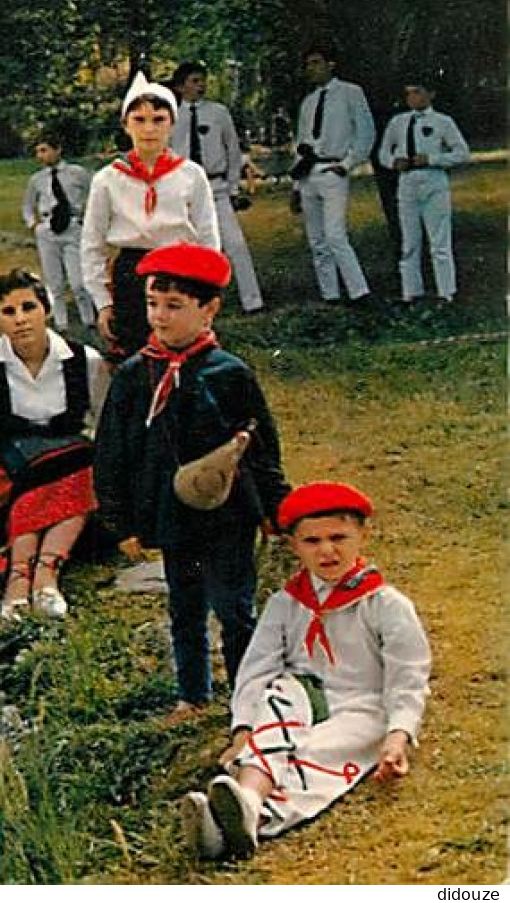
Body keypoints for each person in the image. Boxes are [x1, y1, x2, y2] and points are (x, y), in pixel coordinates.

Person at [179, 481, 430, 860]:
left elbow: (407, 675)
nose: (327, 551)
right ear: (295, 546)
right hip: (304, 692)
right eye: (312, 541)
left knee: (318, 753)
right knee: (277, 703)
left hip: (362, 703)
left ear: (362, 535)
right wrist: (243, 727)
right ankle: (247, 797)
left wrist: (398, 733)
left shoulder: (385, 604)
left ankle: (245, 825)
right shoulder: (286, 604)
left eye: (339, 537)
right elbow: (257, 668)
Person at [94, 242, 287, 720]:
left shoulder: (230, 374)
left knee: (235, 606)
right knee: (184, 605)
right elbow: (112, 451)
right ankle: (193, 695)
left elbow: (262, 448)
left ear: (209, 309)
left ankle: (248, 696)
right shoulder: (136, 375)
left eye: (174, 306)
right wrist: (121, 522)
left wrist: (272, 510)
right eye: (152, 304)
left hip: (228, 514)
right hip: (169, 511)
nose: (159, 317)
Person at [0, 268, 109, 619]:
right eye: (9, 312)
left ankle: (41, 577)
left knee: (79, 462)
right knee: (55, 474)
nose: (20, 320)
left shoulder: (86, 362)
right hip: (5, 472)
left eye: (28, 307)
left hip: (69, 468)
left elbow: (108, 431)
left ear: (45, 310)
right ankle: (23, 580)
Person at [81, 71, 220, 361]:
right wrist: (104, 303)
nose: (149, 130)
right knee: (137, 357)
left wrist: (205, 292)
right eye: (139, 120)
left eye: (158, 120)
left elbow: (208, 237)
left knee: (184, 353)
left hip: (181, 272)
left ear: (172, 124)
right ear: (125, 124)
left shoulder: (190, 175)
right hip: (133, 275)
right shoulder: (108, 179)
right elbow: (92, 244)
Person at [168, 61, 264, 314]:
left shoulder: (218, 113)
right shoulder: (171, 117)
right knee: (191, 249)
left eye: (202, 81)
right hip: (186, 190)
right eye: (194, 81)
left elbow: (232, 149)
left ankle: (253, 301)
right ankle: (198, 305)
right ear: (180, 86)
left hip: (217, 186)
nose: (200, 86)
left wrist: (233, 186)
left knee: (235, 245)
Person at [291, 44, 374, 305]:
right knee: (317, 240)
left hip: (333, 168)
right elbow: (301, 141)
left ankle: (359, 292)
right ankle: (330, 294)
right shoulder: (309, 102)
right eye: (308, 65)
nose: (311, 69)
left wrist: (348, 164)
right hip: (309, 171)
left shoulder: (350, 93)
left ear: (331, 64)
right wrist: (296, 184)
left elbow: (365, 132)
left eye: (316, 63)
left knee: (335, 234)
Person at [375, 82, 471, 306]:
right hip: (407, 182)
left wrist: (433, 159)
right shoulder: (398, 122)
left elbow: (462, 153)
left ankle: (446, 293)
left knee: (439, 240)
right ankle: (411, 292)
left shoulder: (442, 122)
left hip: (433, 180)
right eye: (408, 93)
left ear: (431, 94)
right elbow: (383, 152)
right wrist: (392, 162)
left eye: (417, 92)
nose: (412, 97)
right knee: (409, 240)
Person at [20, 138, 95, 332]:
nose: (41, 156)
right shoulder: (37, 179)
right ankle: (61, 320)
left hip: (72, 226)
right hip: (48, 228)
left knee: (78, 280)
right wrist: (33, 224)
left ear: (58, 150)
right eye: (38, 152)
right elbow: (28, 205)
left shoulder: (77, 173)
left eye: (45, 150)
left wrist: (85, 219)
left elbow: (93, 195)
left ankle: (88, 318)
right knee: (54, 279)